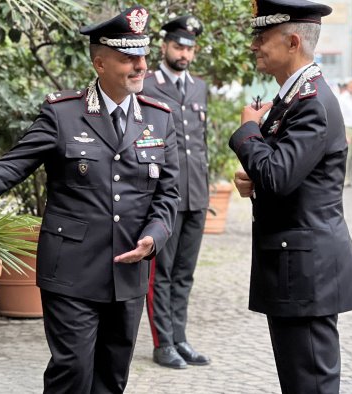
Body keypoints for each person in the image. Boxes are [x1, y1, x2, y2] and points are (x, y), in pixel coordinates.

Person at [0, 6, 180, 393]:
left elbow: (168, 194)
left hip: (128, 272)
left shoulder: (160, 118)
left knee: (112, 377)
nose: (140, 66)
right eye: (127, 58)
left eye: (142, 56)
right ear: (100, 63)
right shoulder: (63, 115)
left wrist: (154, 236)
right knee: (73, 371)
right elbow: (12, 166)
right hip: (71, 270)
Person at [227, 0, 352, 392]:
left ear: (293, 42)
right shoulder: (293, 99)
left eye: (262, 37)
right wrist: (255, 179)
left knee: (310, 384)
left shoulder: (310, 103)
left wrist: (247, 133)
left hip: (307, 271)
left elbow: (278, 175)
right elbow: (289, 174)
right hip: (295, 265)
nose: (254, 45)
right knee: (299, 381)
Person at [141, 15, 210, 369]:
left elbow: (202, 143)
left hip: (196, 194)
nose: (184, 53)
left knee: (185, 273)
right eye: (179, 46)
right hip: (164, 197)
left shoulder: (198, 88)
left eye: (190, 48)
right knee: (161, 274)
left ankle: (181, 338)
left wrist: (207, 189)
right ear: (165, 46)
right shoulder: (147, 86)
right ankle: (162, 342)